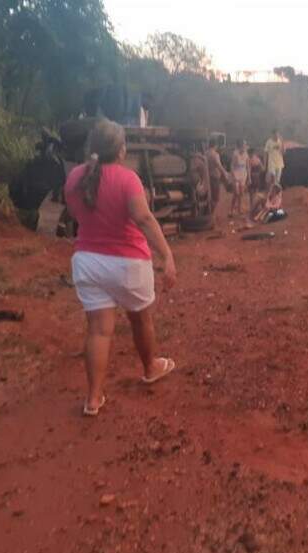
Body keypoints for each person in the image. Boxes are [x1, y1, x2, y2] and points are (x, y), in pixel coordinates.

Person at [63, 120, 178, 416]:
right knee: (140, 320)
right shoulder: (128, 180)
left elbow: (76, 211)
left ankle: (93, 398)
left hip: (88, 262)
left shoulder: (75, 177)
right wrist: (166, 255)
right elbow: (143, 219)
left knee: (99, 331)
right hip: (127, 264)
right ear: (122, 150)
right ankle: (151, 367)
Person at [205, 142, 228, 224]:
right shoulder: (215, 154)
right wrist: (225, 173)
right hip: (215, 177)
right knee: (216, 198)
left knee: (209, 197)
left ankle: (208, 214)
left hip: (207, 177)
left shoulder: (205, 153)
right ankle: (211, 215)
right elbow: (218, 165)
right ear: (216, 145)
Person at [229, 140, 249, 218]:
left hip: (243, 173)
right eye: (244, 145)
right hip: (236, 173)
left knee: (241, 193)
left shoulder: (246, 154)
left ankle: (239, 210)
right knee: (236, 193)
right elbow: (232, 165)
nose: (245, 146)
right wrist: (233, 175)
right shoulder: (235, 154)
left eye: (245, 145)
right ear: (240, 146)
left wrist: (249, 177)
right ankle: (231, 210)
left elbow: (247, 166)